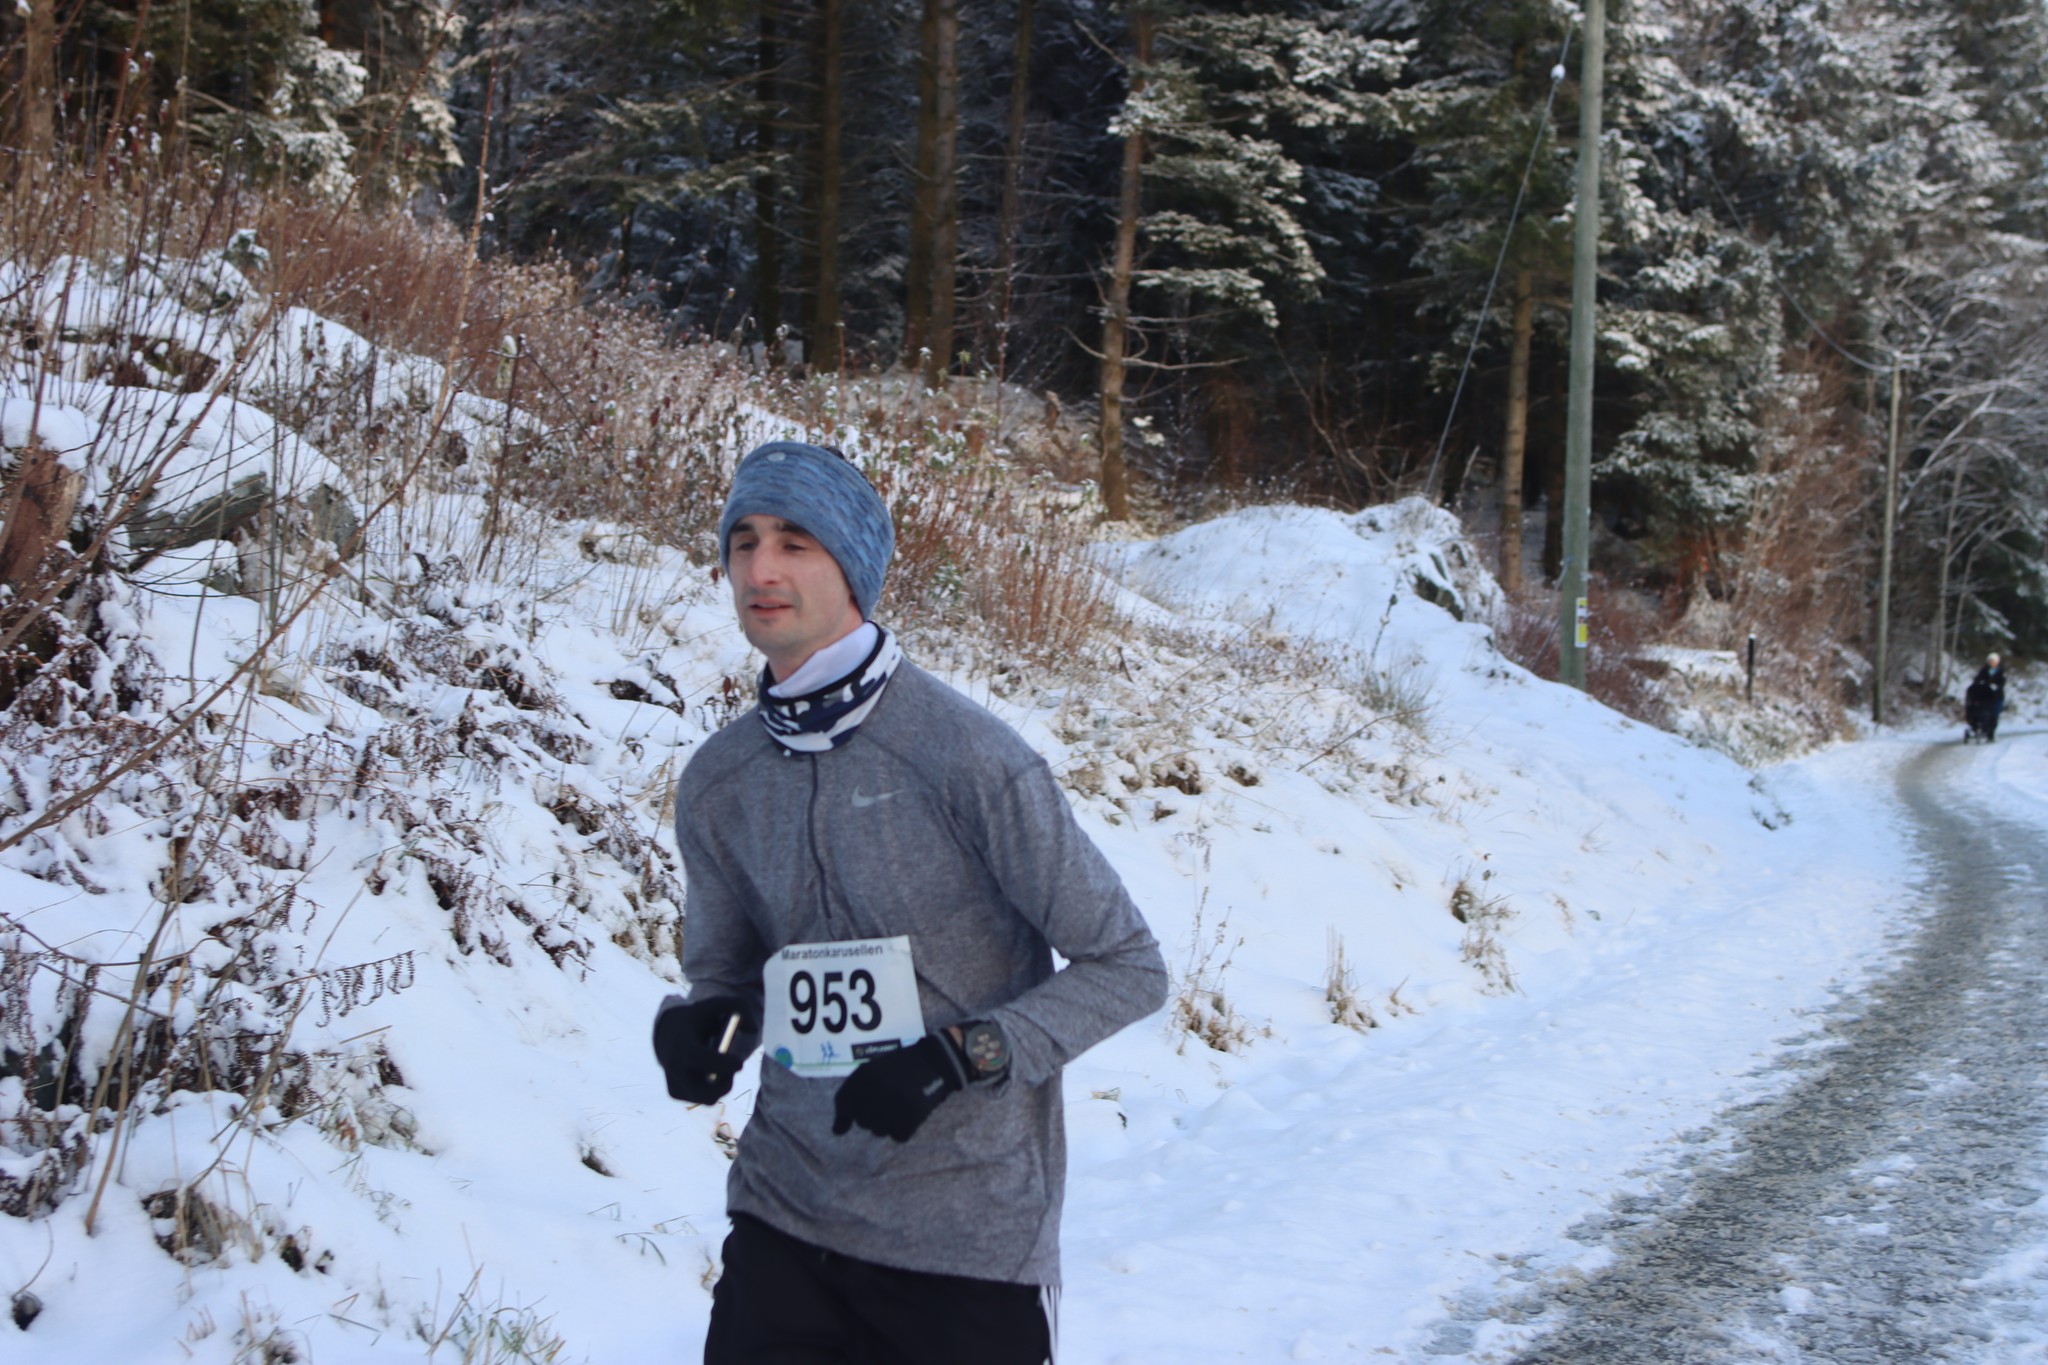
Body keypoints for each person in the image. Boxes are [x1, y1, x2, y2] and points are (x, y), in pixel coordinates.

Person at [653, 439, 1168, 1364]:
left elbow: (1128, 966)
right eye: (743, 541)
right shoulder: (719, 780)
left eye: (795, 542)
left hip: (964, 1240)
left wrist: (958, 1055)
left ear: (853, 568)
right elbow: (728, 970)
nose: (761, 570)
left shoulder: (968, 757)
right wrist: (706, 1024)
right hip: (783, 1216)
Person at [1971, 651, 2008, 741]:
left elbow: (2002, 682)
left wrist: (1996, 686)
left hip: (1997, 696)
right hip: (1985, 695)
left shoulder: (2001, 671)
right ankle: (1981, 728)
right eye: (1990, 661)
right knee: (1982, 712)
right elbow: (1977, 680)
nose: (1992, 663)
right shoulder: (1984, 670)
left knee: (1994, 714)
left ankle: (1991, 732)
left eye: (1994, 661)